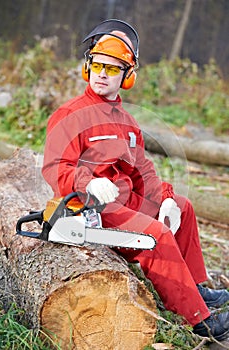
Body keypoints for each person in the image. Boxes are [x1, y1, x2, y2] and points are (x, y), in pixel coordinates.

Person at [42, 19, 229, 341]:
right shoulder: (71, 114)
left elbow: (142, 171)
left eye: (112, 69)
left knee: (182, 207)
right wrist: (86, 182)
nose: (103, 74)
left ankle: (195, 287)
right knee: (154, 233)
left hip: (122, 203)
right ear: (88, 68)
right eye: (98, 66)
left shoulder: (126, 122)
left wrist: (166, 197)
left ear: (127, 76)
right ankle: (199, 320)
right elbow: (55, 166)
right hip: (88, 208)